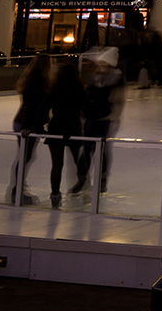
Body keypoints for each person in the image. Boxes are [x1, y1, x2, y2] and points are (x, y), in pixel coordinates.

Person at [72, 49, 125, 196]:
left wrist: (113, 116)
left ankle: (102, 180)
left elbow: (118, 100)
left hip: (104, 119)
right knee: (87, 150)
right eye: (100, 63)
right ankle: (82, 179)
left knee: (102, 151)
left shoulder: (115, 80)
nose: (101, 66)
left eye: (104, 63)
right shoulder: (93, 78)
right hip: (91, 118)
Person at [9, 53, 55, 202]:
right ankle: (17, 191)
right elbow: (30, 106)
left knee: (26, 156)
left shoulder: (33, 79)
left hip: (25, 123)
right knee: (25, 157)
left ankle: (18, 189)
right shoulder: (37, 81)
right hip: (26, 124)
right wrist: (27, 127)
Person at [45, 56, 86, 203]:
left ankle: (55, 193)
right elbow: (78, 111)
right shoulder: (79, 90)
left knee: (57, 164)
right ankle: (83, 183)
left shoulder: (54, 89)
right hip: (73, 129)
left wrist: (43, 126)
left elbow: (44, 109)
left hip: (56, 127)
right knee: (78, 159)